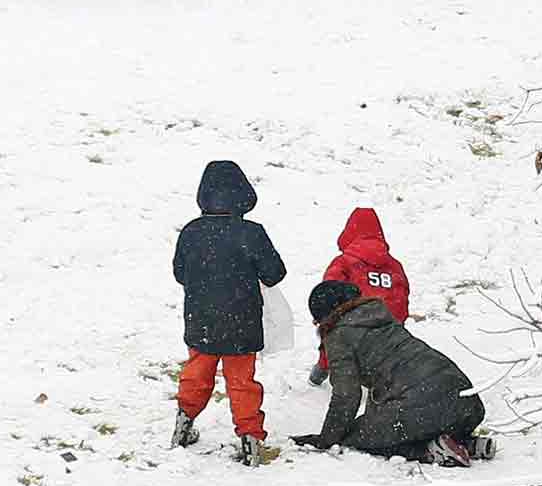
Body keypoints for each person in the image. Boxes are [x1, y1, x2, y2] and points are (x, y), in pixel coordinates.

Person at [170, 158, 288, 466]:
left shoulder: (191, 232)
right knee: (242, 382)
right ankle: (250, 439)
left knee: (197, 373)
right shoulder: (252, 233)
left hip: (201, 319)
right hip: (243, 320)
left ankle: (184, 422)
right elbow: (275, 273)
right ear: (244, 195)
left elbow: (180, 273)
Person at [301, 278, 489, 466]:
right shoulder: (380, 317)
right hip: (468, 403)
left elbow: (346, 395)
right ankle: (466, 444)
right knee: (419, 420)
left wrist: (326, 439)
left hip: (428, 407)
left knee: (356, 435)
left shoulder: (339, 334)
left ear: (325, 317)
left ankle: (431, 451)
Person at [311, 205, 415, 384]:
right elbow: (402, 296)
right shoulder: (395, 265)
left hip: (353, 325)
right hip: (388, 327)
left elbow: (328, 295)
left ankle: (321, 370)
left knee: (334, 333)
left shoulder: (343, 262)